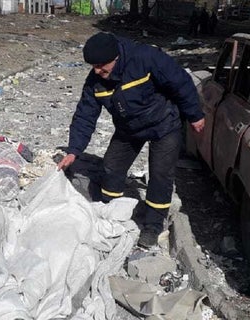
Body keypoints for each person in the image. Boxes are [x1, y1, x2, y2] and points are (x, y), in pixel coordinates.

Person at [57, 32, 205, 247]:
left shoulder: (145, 57)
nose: (97, 71)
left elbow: (180, 81)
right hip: (129, 129)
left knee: (160, 175)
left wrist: (195, 115)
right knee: (110, 168)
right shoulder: (95, 81)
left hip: (164, 125)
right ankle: (111, 208)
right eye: (93, 66)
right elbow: (85, 115)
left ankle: (153, 226)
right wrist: (74, 150)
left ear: (116, 57)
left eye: (101, 65)